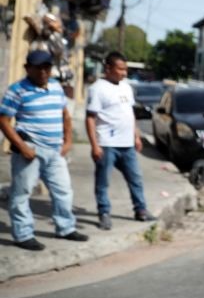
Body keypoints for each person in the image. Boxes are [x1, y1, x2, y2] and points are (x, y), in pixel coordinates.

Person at [0, 50, 88, 251]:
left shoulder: (56, 87)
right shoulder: (17, 90)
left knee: (63, 191)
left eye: (46, 67)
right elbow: (3, 121)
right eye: (38, 68)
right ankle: (23, 235)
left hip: (55, 151)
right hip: (30, 150)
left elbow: (65, 115)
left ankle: (65, 228)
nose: (43, 72)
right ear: (27, 68)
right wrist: (22, 147)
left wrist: (68, 141)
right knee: (22, 193)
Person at [85, 51, 155, 230]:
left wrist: (136, 136)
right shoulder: (97, 89)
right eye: (120, 69)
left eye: (125, 69)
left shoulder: (126, 87)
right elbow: (90, 118)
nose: (124, 73)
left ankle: (141, 210)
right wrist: (94, 145)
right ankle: (104, 213)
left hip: (127, 144)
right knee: (103, 181)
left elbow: (129, 114)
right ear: (108, 68)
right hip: (106, 144)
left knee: (136, 178)